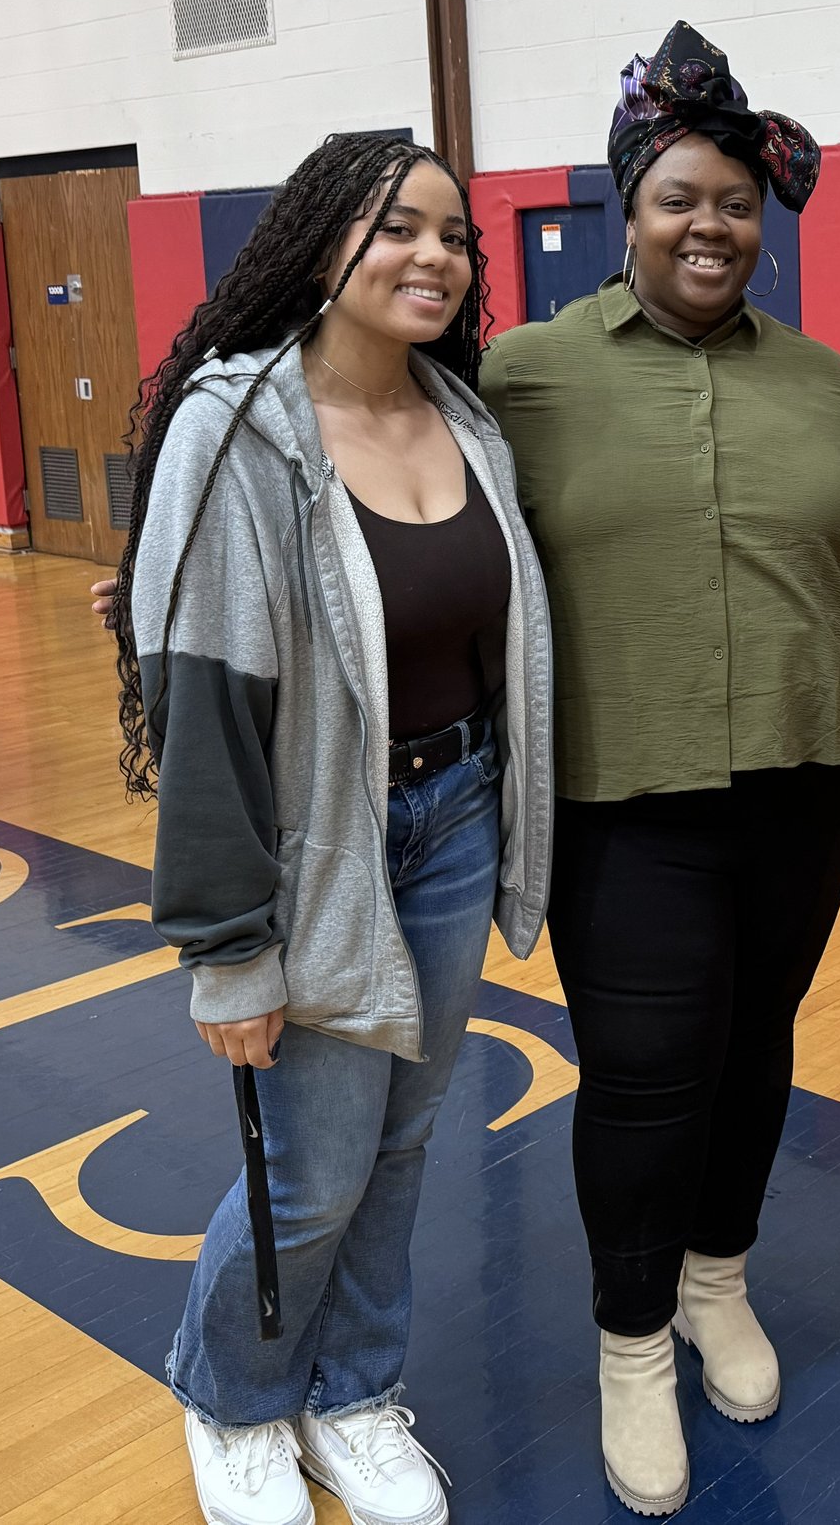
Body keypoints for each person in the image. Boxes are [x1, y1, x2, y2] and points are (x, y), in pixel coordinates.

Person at [478, 22, 840, 1516]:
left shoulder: (829, 380)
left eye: (733, 202)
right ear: (625, 212)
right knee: (649, 1076)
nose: (709, 226)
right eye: (678, 200)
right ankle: (633, 1342)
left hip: (808, 767)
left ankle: (720, 1279)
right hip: (620, 784)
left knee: (758, 1040)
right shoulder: (520, 375)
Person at [110, 134, 554, 1525]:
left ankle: (351, 1390)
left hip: (452, 815)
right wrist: (228, 948)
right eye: (396, 228)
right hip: (316, 854)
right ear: (320, 248)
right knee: (308, 1174)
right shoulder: (235, 428)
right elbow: (201, 699)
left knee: (406, 1145)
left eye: (454, 234)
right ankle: (232, 1393)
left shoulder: (465, 416)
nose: (434, 254)